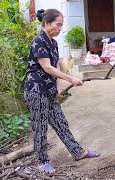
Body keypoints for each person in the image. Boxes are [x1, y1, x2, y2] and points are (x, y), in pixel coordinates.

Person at [24, 9, 100, 173]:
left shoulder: (53, 42)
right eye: (57, 25)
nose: (59, 29)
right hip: (36, 91)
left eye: (61, 26)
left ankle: (78, 152)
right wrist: (71, 78)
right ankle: (42, 162)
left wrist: (58, 87)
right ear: (46, 23)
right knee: (40, 126)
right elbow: (47, 67)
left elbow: (56, 64)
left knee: (61, 123)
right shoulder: (39, 41)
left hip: (49, 91)